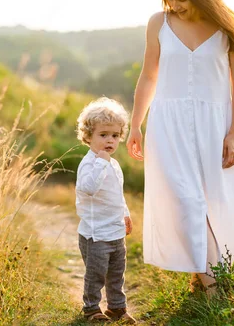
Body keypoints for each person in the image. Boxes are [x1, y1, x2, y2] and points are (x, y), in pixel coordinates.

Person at [126, 0, 234, 296]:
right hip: (168, 124)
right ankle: (214, 284)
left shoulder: (229, 27)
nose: (174, 6)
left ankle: (204, 275)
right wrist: (136, 124)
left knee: (216, 202)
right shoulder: (157, 23)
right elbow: (149, 75)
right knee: (183, 198)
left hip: (216, 125)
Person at [75, 97, 137, 323]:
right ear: (88, 136)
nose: (109, 140)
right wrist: (101, 162)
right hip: (95, 234)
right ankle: (91, 309)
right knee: (96, 275)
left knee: (116, 274)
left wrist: (126, 213)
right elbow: (88, 188)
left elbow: (117, 193)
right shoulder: (91, 163)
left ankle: (116, 308)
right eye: (103, 135)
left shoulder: (112, 163)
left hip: (115, 231)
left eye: (114, 135)